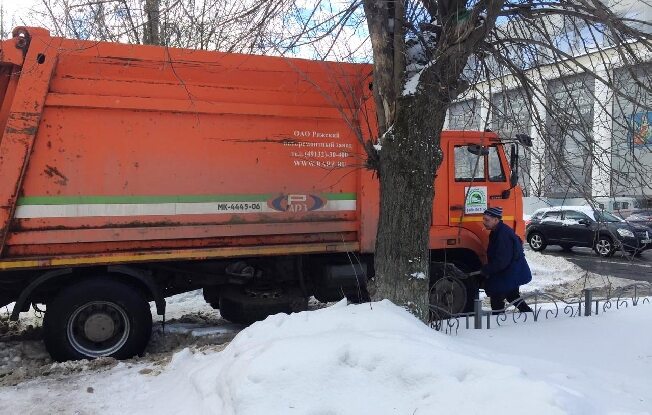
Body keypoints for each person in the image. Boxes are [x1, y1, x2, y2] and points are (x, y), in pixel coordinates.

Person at [480, 206, 533, 313]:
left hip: (509, 272)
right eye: (484, 219)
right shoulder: (497, 231)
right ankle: (528, 314)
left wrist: (487, 269)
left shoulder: (502, 235)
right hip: (510, 271)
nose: (484, 222)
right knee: (512, 295)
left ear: (496, 220)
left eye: (487, 220)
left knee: (496, 297)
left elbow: (502, 261)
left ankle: (499, 321)